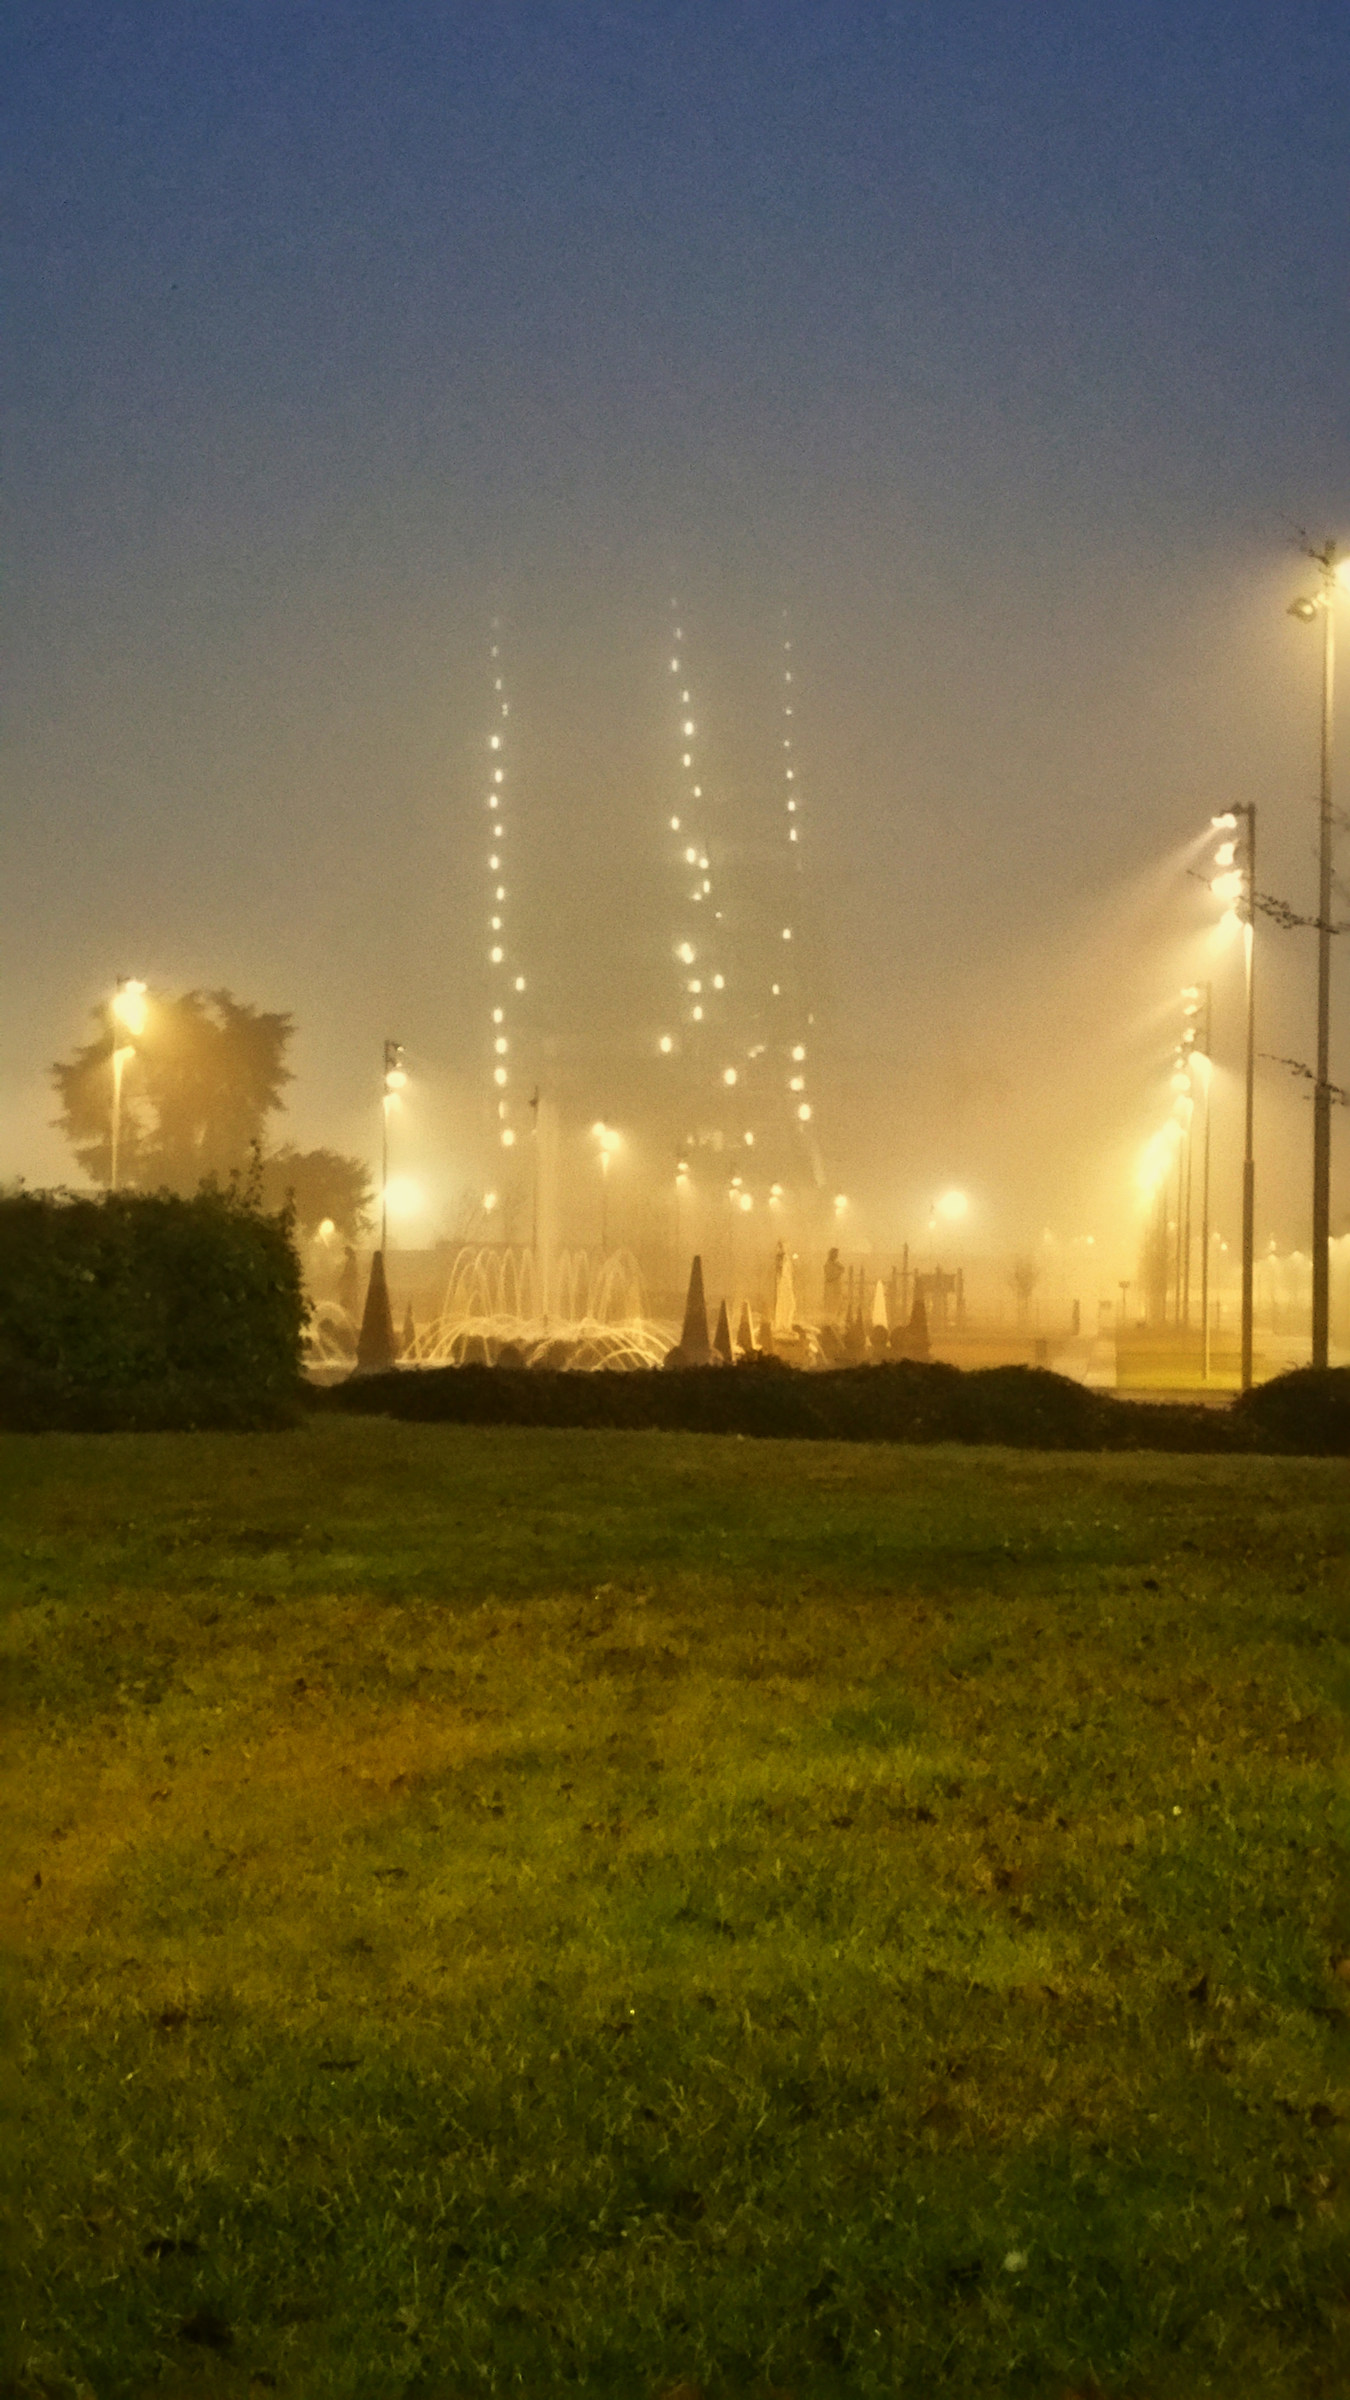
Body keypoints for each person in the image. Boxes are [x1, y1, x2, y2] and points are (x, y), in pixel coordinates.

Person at [822, 1246, 844, 1326]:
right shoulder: (828, 1264)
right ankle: (830, 1324)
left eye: (837, 1254)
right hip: (831, 1291)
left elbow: (842, 1269)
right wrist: (839, 1272)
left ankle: (835, 1323)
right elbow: (829, 1277)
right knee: (831, 1308)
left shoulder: (836, 1264)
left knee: (838, 1307)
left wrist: (839, 1269)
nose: (837, 1256)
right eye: (835, 1254)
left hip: (836, 1290)